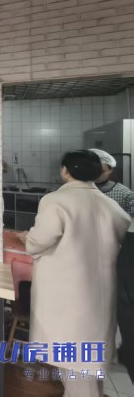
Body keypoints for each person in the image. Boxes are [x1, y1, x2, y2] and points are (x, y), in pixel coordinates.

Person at [19, 150, 130, 397]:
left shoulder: (56, 201)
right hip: (100, 294)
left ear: (65, 171)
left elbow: (38, 241)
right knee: (88, 364)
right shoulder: (110, 205)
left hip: (67, 294)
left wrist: (26, 237)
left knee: (76, 365)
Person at [89, 149, 134, 382]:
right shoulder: (83, 191)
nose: (97, 172)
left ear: (110, 170)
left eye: (101, 168)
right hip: (86, 257)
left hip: (115, 258)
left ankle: (113, 351)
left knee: (112, 306)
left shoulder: (124, 194)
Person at [89, 148, 134, 218]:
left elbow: (131, 220)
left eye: (101, 171)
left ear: (110, 170)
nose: (97, 174)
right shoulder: (77, 191)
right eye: (93, 170)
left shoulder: (125, 194)